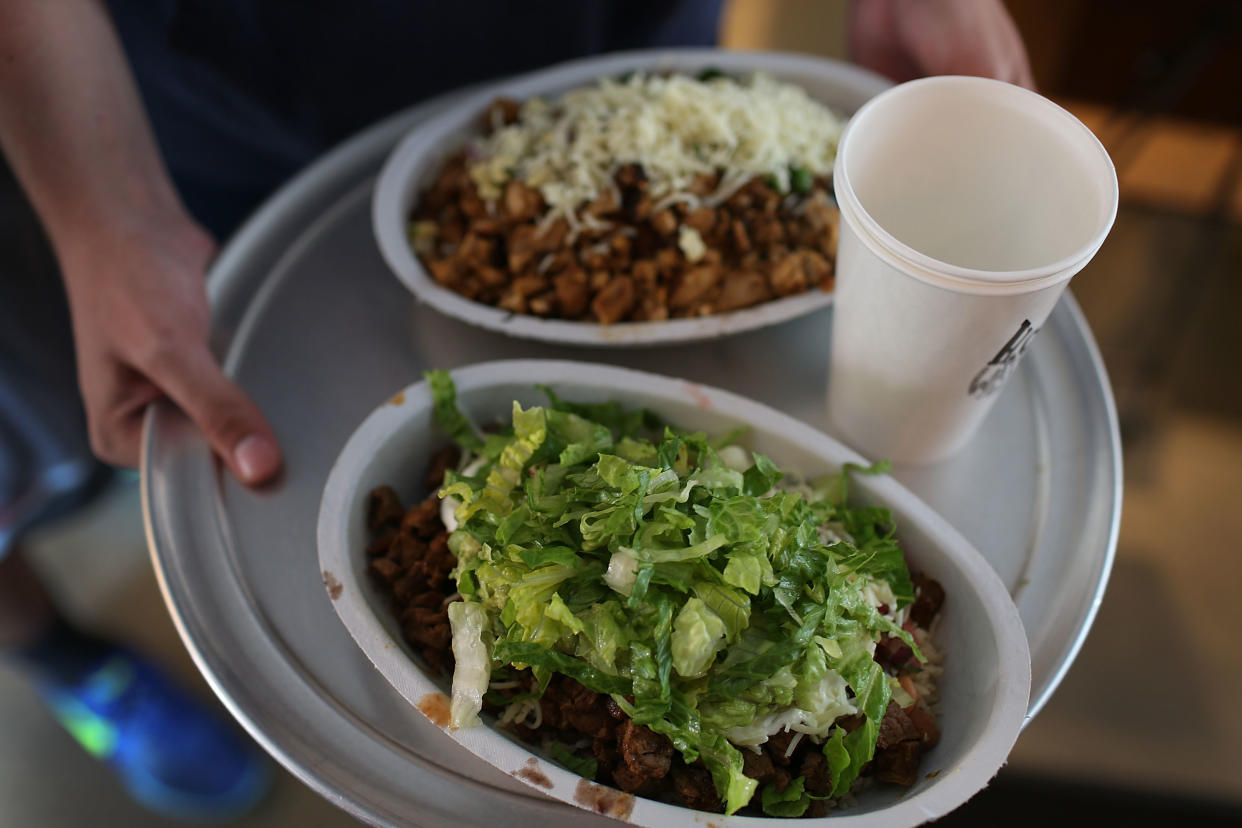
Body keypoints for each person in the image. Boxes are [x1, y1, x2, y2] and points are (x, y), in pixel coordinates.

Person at [0, 0, 1033, 819]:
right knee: (35, 463)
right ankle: (65, 661)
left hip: (614, 41)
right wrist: (106, 213)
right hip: (195, 95)